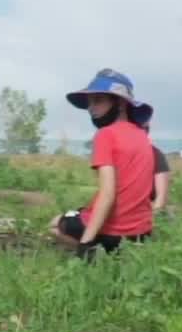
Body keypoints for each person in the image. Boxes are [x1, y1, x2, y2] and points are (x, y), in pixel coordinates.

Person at [51, 69, 155, 259]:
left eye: (98, 100)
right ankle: (121, 255)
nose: (91, 107)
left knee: (56, 224)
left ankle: (96, 255)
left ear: (120, 102)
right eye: (90, 102)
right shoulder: (142, 136)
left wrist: (85, 242)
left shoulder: (106, 135)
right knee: (84, 212)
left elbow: (108, 194)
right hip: (142, 232)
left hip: (114, 232)